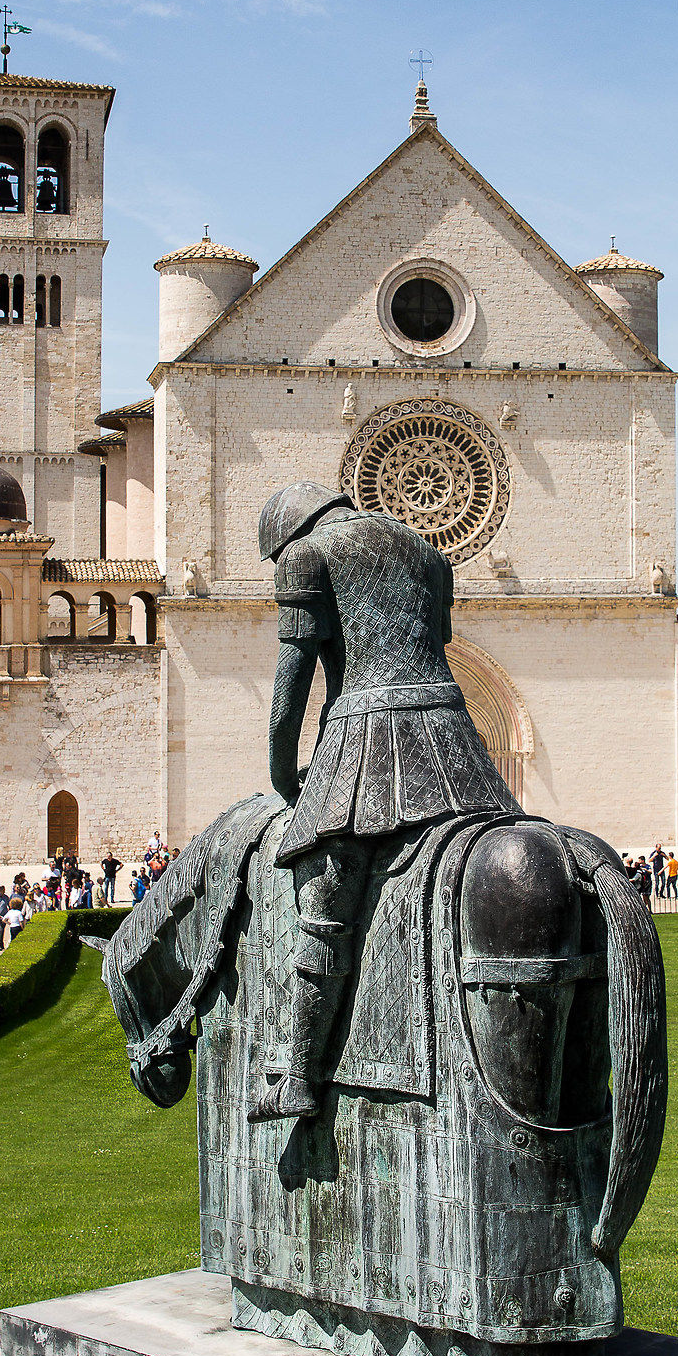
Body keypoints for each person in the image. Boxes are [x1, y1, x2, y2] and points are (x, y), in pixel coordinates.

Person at [250, 477, 520, 1124]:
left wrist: (287, 779)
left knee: (325, 908)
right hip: (455, 738)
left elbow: (292, 692)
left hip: (366, 739)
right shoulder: (429, 552)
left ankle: (299, 1077)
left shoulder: (306, 555)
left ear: (287, 534)